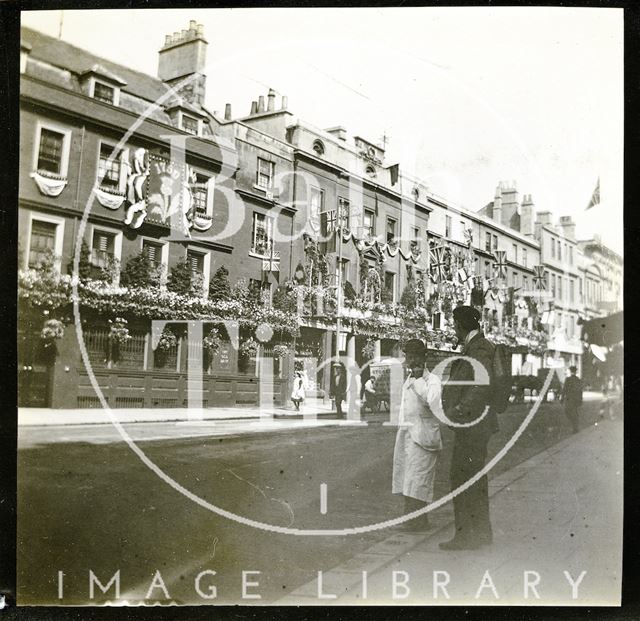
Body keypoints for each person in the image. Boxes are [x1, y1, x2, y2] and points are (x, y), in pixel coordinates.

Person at [440, 305, 498, 551]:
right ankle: (481, 533)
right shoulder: (475, 347)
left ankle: (466, 535)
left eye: (455, 325)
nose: (454, 329)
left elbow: (480, 385)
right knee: (472, 478)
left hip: (473, 425)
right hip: (473, 425)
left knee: (461, 478)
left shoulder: (480, 348)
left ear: (463, 325)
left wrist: (458, 410)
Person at [392, 339, 443, 531]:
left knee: (419, 480)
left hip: (423, 438)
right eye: (409, 356)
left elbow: (433, 403)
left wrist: (421, 380)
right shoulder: (410, 379)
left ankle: (419, 522)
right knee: (408, 479)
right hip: (408, 436)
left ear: (424, 357)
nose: (411, 361)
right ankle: (411, 520)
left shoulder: (432, 380)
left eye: (415, 356)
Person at [562, 366, 583, 432]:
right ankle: (575, 426)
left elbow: (564, 389)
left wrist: (562, 397)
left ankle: (575, 427)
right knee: (574, 412)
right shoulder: (578, 380)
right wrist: (580, 399)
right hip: (576, 399)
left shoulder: (568, 379)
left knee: (567, 411)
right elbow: (580, 390)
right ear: (575, 371)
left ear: (570, 371)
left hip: (569, 398)